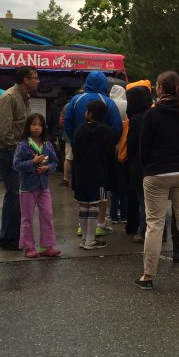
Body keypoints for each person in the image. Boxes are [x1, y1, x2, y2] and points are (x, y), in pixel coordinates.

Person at [136, 71, 179, 290]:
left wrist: (147, 170)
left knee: (154, 223)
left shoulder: (152, 115)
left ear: (161, 89)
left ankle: (148, 275)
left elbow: (143, 148)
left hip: (157, 173)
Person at [64, 71, 123, 237]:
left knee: (82, 188)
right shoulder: (108, 102)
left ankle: (82, 225)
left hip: (81, 151)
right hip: (102, 155)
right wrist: (109, 142)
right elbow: (117, 127)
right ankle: (100, 223)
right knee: (103, 188)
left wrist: (75, 141)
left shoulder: (75, 100)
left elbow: (67, 123)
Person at [0, 66, 38, 251]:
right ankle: (8, 239)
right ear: (25, 80)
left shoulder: (24, 97)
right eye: (35, 77)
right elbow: (6, 131)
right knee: (14, 195)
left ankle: (14, 235)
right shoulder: (9, 97)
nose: (38, 81)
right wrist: (20, 152)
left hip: (17, 150)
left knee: (19, 195)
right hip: (7, 152)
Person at [73, 99, 118, 250]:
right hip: (99, 174)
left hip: (81, 173)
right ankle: (91, 239)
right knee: (94, 205)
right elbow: (110, 155)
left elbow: (75, 152)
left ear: (89, 114)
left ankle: (85, 237)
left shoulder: (79, 130)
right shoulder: (107, 132)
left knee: (83, 204)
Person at [13, 113, 60, 259]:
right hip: (27, 187)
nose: (36, 127)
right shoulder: (23, 146)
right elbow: (16, 165)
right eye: (33, 124)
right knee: (27, 218)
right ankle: (29, 247)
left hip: (43, 186)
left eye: (39, 124)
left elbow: (55, 163)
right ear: (28, 126)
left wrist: (47, 168)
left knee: (47, 215)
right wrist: (32, 162)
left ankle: (47, 246)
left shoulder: (47, 144)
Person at [125, 80, 152, 241]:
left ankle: (143, 232)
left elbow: (132, 146)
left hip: (139, 166)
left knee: (143, 201)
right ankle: (161, 233)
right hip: (154, 165)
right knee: (157, 204)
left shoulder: (135, 120)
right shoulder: (153, 114)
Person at [109, 84, 129, 224]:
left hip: (113, 142)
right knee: (124, 186)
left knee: (114, 187)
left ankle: (113, 214)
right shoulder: (126, 103)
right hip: (124, 143)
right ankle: (124, 214)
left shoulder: (110, 103)